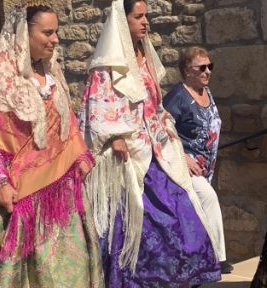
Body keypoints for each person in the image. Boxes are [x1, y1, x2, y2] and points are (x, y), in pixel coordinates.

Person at [0, 2, 103, 288]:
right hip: (17, 196)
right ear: (23, 35)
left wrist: (79, 155)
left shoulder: (53, 77)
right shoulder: (0, 82)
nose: (55, 39)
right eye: (47, 32)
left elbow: (68, 126)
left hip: (58, 195)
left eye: (56, 32)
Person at [79, 0, 221, 286]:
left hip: (155, 149)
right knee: (139, 222)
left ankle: (178, 277)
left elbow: (153, 106)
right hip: (127, 155)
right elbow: (96, 108)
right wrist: (116, 135)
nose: (146, 22)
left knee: (181, 211)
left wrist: (165, 123)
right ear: (123, 20)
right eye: (139, 16)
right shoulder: (106, 66)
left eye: (147, 16)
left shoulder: (144, 58)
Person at [163, 46, 233, 274]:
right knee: (209, 199)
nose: (207, 71)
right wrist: (182, 157)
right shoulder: (178, 98)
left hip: (205, 168)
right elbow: (160, 130)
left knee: (197, 213)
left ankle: (196, 260)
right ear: (186, 70)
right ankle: (218, 258)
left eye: (209, 66)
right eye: (201, 67)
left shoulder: (206, 92)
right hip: (185, 167)